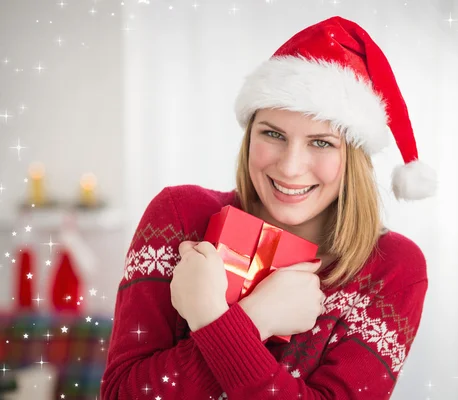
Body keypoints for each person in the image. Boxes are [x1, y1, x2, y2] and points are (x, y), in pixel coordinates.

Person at [101, 15, 436, 400]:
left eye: (322, 142)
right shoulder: (181, 215)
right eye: (273, 134)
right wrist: (257, 318)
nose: (290, 167)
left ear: (355, 159)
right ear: (249, 136)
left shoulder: (393, 268)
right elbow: (122, 394)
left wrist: (211, 319)